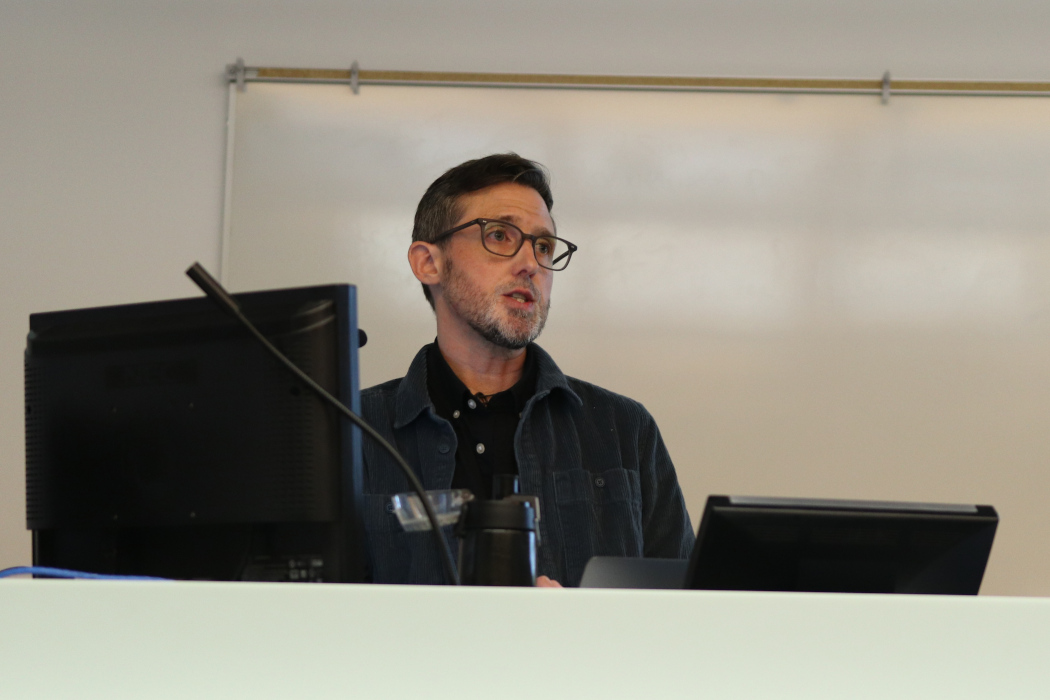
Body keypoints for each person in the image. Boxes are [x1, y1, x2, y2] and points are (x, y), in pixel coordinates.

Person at [360, 153, 694, 586]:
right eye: (499, 235)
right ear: (429, 263)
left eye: (543, 246)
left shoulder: (624, 430)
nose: (531, 264)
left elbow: (683, 608)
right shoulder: (352, 431)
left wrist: (576, 624)